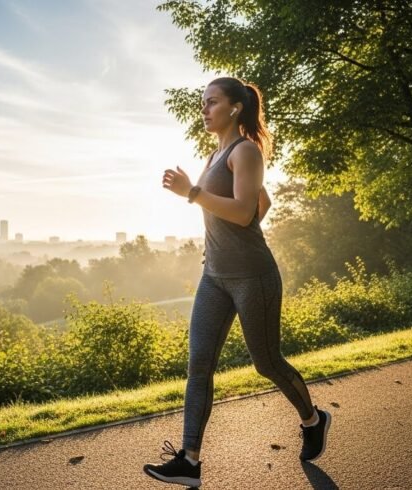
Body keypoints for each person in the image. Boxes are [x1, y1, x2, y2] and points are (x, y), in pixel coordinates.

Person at [143, 77, 331, 488]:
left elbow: (247, 211)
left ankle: (314, 420)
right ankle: (190, 461)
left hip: (253, 277)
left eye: (211, 102)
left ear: (234, 108)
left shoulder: (246, 150)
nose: (204, 109)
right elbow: (263, 202)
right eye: (202, 103)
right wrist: (222, 245)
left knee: (266, 362)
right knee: (199, 364)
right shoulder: (216, 154)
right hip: (215, 276)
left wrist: (193, 192)